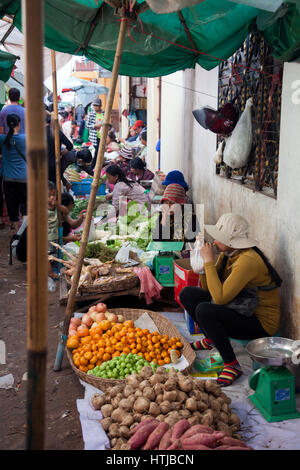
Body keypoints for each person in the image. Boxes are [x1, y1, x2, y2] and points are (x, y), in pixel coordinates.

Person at [179, 213, 282, 387]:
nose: (214, 241)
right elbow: (208, 290)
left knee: (205, 310)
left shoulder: (247, 260)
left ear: (232, 241)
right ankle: (211, 339)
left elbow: (218, 299)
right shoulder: (229, 254)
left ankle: (231, 364)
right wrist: (204, 267)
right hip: (241, 307)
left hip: (259, 322)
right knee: (188, 294)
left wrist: (209, 262)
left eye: (219, 238)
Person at [0, 113, 27, 237]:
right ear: (19, 123)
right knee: (25, 204)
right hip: (24, 178)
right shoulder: (26, 138)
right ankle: (25, 230)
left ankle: (17, 230)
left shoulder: (2, 139)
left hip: (8, 178)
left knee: (12, 205)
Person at [45, 111, 73, 187]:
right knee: (53, 188)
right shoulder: (57, 132)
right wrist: (62, 153)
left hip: (41, 165)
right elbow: (70, 146)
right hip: (54, 164)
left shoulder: (38, 133)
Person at [86, 98, 104, 167]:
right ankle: (93, 167)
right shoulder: (91, 114)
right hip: (95, 137)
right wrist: (94, 126)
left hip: (102, 136)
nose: (95, 107)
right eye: (94, 106)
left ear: (100, 106)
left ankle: (95, 167)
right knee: (97, 152)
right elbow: (87, 126)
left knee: (99, 153)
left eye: (97, 106)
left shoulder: (104, 113)